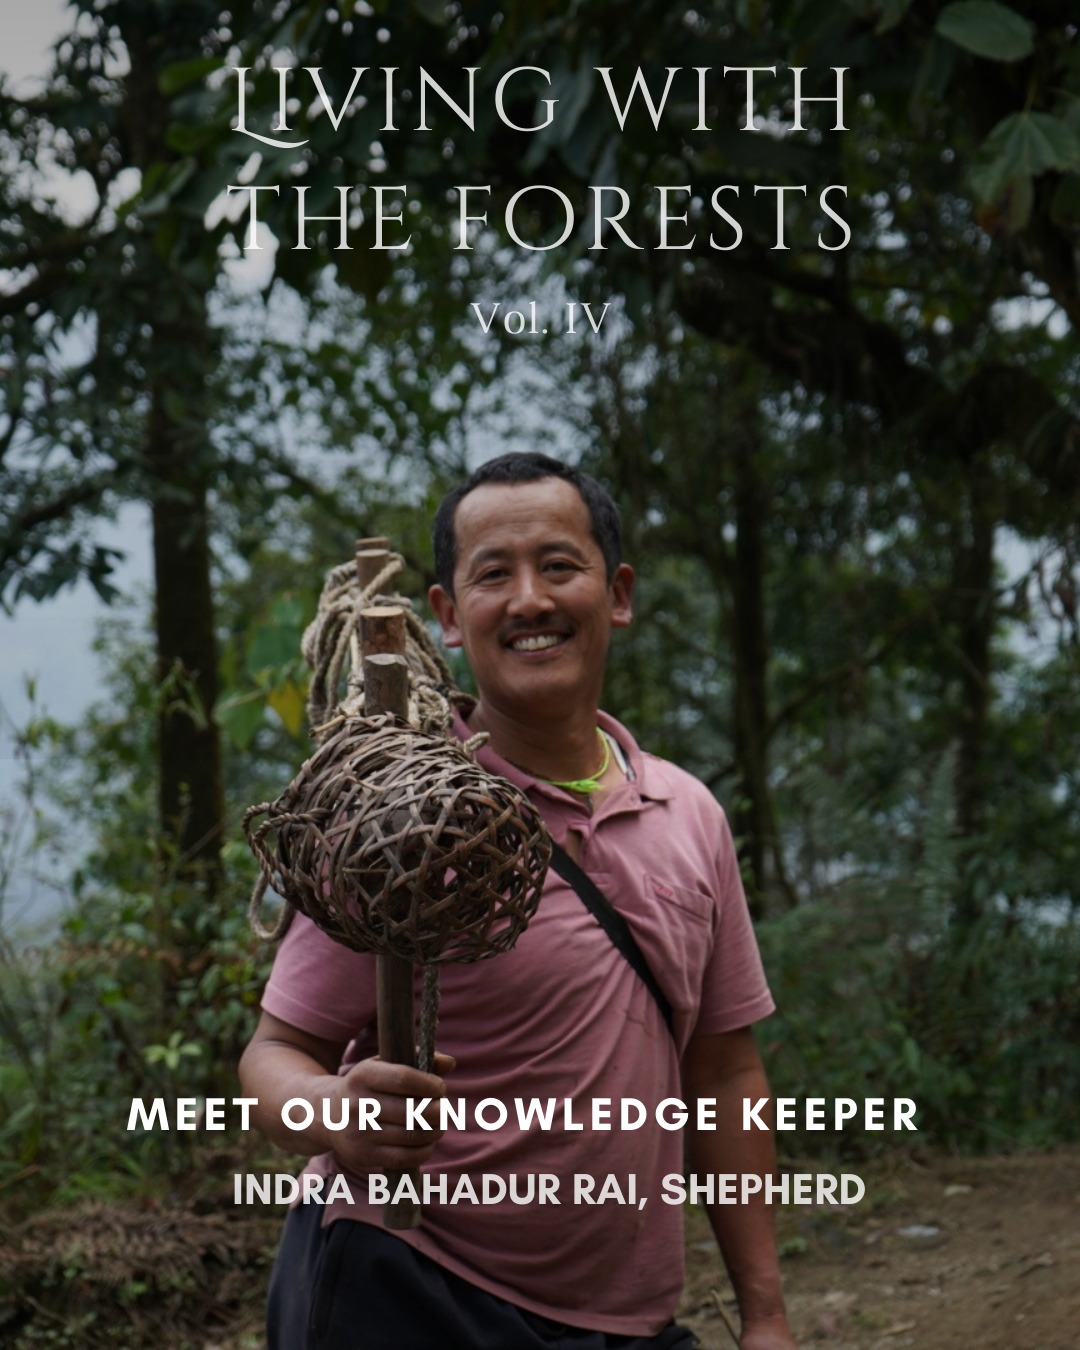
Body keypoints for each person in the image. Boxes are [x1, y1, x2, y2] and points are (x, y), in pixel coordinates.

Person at [239, 452, 798, 1350]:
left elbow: (725, 1076)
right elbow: (273, 1058)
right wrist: (333, 1112)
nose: (531, 599)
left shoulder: (689, 815)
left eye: (560, 566)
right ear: (449, 617)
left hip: (624, 1318)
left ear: (616, 594)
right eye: (494, 574)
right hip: (411, 1285)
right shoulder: (401, 818)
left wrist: (766, 1318)